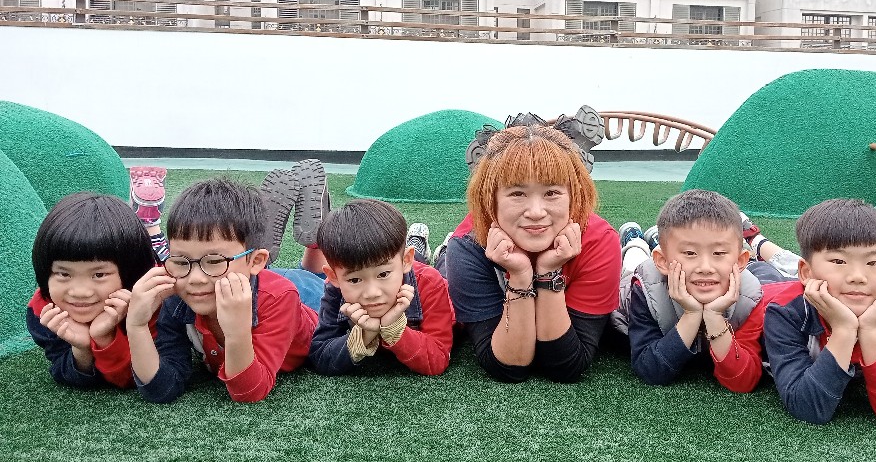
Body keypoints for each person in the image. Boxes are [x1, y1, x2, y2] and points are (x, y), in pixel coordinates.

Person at [441, 124, 620, 383]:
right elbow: (508, 367)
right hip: (471, 256)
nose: (536, 212)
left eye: (552, 192)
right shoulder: (468, 246)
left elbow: (567, 367)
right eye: (517, 193)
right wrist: (521, 275)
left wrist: (548, 272)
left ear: (575, 196)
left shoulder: (599, 241)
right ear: (490, 199)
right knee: (442, 271)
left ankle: (635, 240)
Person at [125, 177, 318, 403]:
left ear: (256, 261)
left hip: (308, 297)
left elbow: (249, 392)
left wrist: (237, 333)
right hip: (249, 275)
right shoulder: (176, 294)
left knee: (325, 282)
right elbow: (162, 389)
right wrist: (136, 326)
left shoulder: (280, 298)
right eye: (180, 261)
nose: (195, 279)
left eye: (215, 261)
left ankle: (316, 241)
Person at [762, 198, 876, 428]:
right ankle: (755, 242)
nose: (857, 276)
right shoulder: (784, 313)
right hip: (764, 290)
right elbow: (808, 408)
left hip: (810, 283)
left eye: (873, 262)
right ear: (807, 272)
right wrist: (844, 330)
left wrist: (870, 331)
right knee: (762, 270)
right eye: (839, 261)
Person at [613, 190, 767, 391]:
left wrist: (714, 317)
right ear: (662, 261)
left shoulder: (750, 296)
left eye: (719, 253)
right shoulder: (645, 288)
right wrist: (692, 314)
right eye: (690, 253)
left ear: (740, 261)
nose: (705, 267)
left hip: (668, 264)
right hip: (637, 280)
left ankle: (654, 239)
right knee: (633, 261)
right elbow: (649, 369)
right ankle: (634, 240)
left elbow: (743, 380)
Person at [308, 199, 454, 376]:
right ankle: (415, 249)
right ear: (334, 277)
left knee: (449, 269)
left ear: (406, 260)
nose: (372, 293)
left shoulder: (430, 283)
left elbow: (438, 359)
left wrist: (394, 328)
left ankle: (446, 250)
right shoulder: (334, 288)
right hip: (401, 264)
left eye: (383, 275)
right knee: (393, 263)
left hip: (440, 283)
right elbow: (320, 355)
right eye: (355, 280)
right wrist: (364, 335)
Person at [27, 192, 158, 388]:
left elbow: (137, 377)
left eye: (98, 275)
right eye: (64, 274)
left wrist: (105, 338)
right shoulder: (43, 311)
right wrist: (82, 349)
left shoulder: (151, 303)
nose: (80, 292)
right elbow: (64, 371)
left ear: (130, 272)